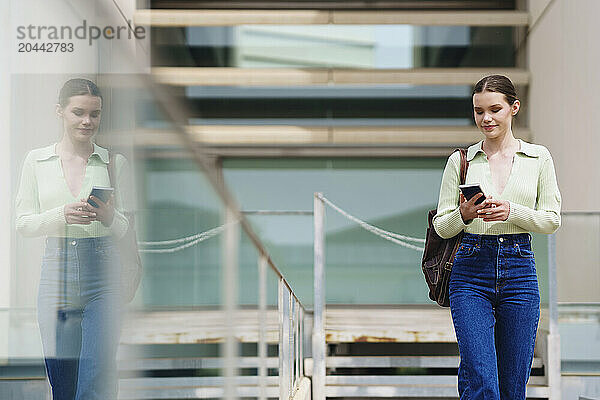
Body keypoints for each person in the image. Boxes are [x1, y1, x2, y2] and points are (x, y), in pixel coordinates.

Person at [432, 75, 561, 400]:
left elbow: (551, 220)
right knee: (482, 380)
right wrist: (466, 214)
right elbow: (441, 226)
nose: (486, 118)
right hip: (470, 273)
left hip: (519, 272)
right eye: (478, 111)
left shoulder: (539, 158)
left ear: (514, 108)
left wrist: (511, 211)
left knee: (512, 387)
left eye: (494, 109)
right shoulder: (460, 161)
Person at [15, 78, 131, 399]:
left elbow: (126, 232)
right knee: (63, 383)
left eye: (95, 114)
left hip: (103, 276)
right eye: (78, 112)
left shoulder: (113, 163)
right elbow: (22, 224)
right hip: (56, 274)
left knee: (96, 374)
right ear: (60, 112)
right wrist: (61, 215)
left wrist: (109, 217)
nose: (87, 121)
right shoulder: (36, 161)